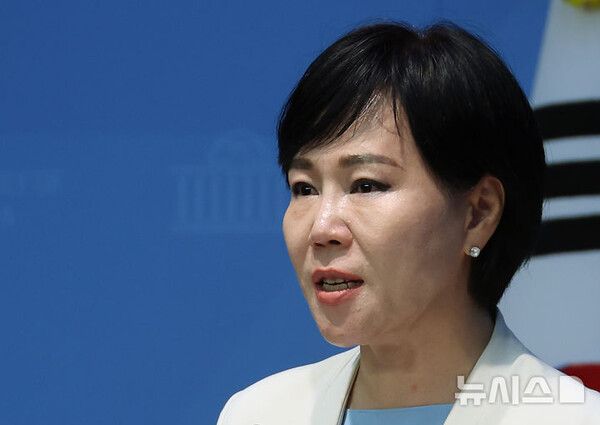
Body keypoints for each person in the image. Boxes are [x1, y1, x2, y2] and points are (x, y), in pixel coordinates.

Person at [216, 21, 600, 424]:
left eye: (366, 185)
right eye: (304, 188)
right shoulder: (258, 412)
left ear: (479, 213)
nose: (321, 228)